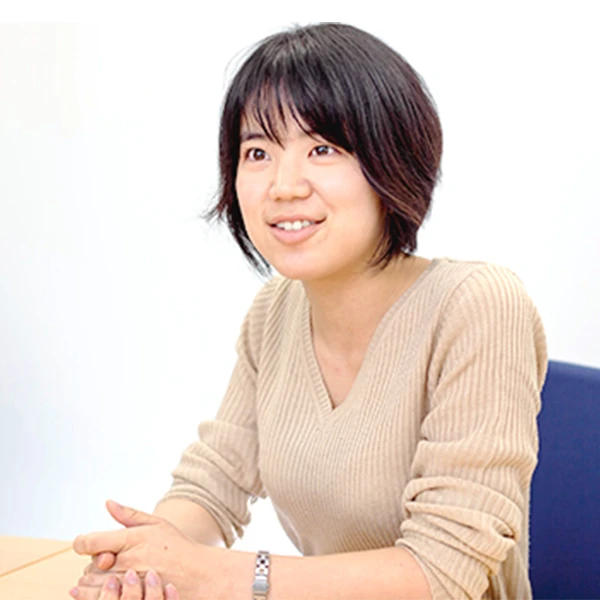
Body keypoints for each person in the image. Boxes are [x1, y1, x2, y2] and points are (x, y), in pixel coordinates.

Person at [69, 22, 547, 600]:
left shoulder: (479, 305)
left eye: (323, 149)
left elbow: (442, 573)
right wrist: (145, 562)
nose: (284, 186)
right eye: (258, 152)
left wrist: (214, 574)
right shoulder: (275, 311)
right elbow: (214, 481)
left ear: (393, 159)